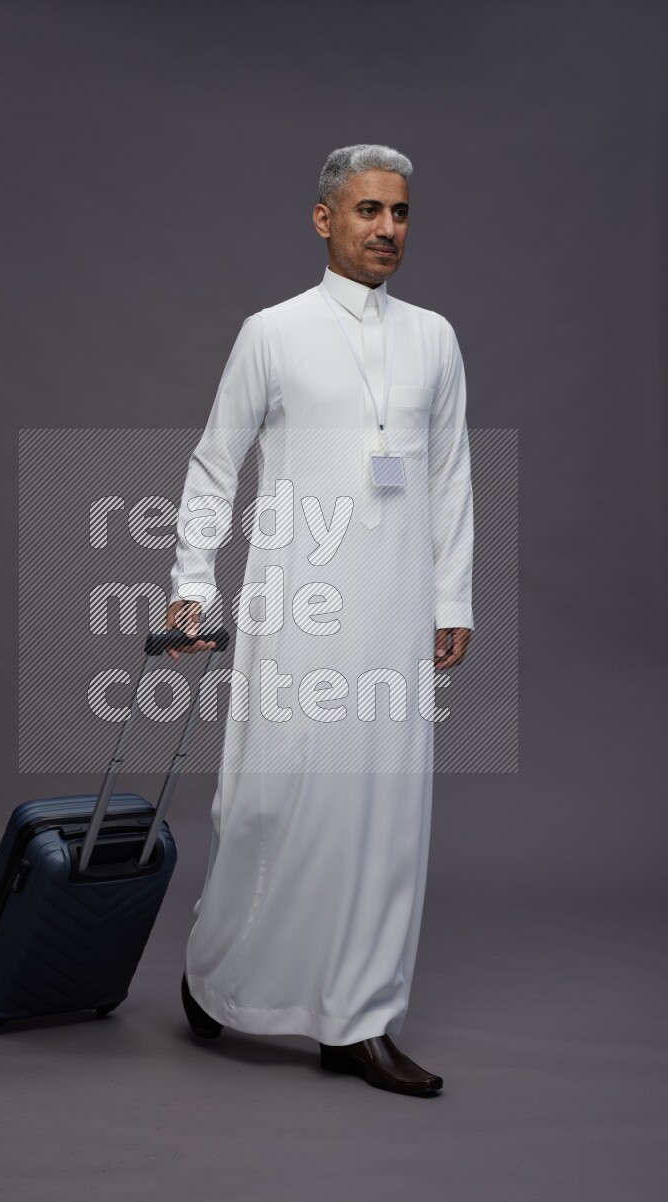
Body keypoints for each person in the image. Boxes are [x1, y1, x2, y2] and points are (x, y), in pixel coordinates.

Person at [163, 143, 474, 1096]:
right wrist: (192, 583)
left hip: (394, 613)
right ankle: (215, 975)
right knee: (266, 803)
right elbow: (215, 463)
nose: (387, 229)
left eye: (401, 213)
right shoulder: (274, 332)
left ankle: (359, 1020)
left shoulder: (434, 338)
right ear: (324, 218)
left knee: (385, 818)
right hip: (295, 603)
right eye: (369, 210)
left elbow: (450, 474)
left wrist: (452, 596)